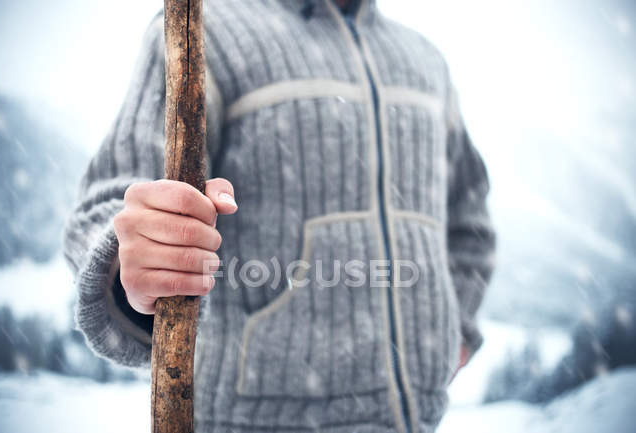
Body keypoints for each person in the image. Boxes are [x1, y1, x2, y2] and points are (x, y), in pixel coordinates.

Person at [63, 0, 496, 432]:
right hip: (249, 422)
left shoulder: (424, 62)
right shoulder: (205, 33)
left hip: (416, 423)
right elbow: (109, 203)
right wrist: (132, 263)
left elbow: (469, 222)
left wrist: (450, 333)